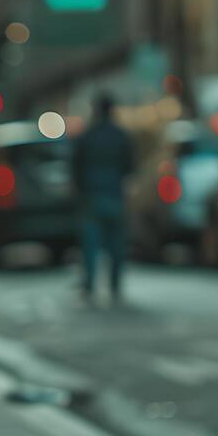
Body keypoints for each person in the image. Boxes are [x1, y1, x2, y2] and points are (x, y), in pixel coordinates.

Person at [69, 94, 135, 302]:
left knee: (91, 243)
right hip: (114, 192)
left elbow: (75, 166)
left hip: (92, 194)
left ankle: (90, 283)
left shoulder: (88, 136)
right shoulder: (121, 136)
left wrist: (79, 189)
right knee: (116, 243)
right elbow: (129, 166)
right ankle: (115, 284)